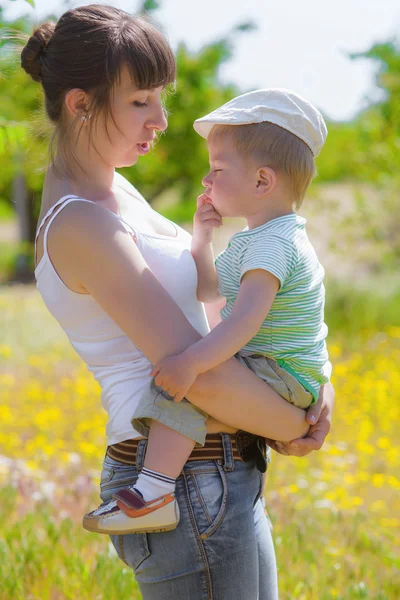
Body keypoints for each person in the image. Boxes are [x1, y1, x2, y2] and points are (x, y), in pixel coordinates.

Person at [22, 5, 334, 599]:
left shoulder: (116, 191)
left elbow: (224, 309)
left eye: (161, 98)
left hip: (219, 468)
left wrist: (316, 383)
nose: (161, 120)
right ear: (80, 104)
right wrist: (300, 423)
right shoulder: (83, 224)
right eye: (140, 101)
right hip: (179, 484)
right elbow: (198, 378)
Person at [100, 89, 332, 533]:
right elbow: (211, 293)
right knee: (190, 392)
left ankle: (151, 492)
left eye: (218, 170)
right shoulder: (260, 238)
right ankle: (153, 490)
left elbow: (244, 322)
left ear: (263, 182)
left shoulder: (271, 244)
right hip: (283, 368)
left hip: (281, 371)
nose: (206, 181)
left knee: (187, 387)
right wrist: (202, 241)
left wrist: (191, 362)